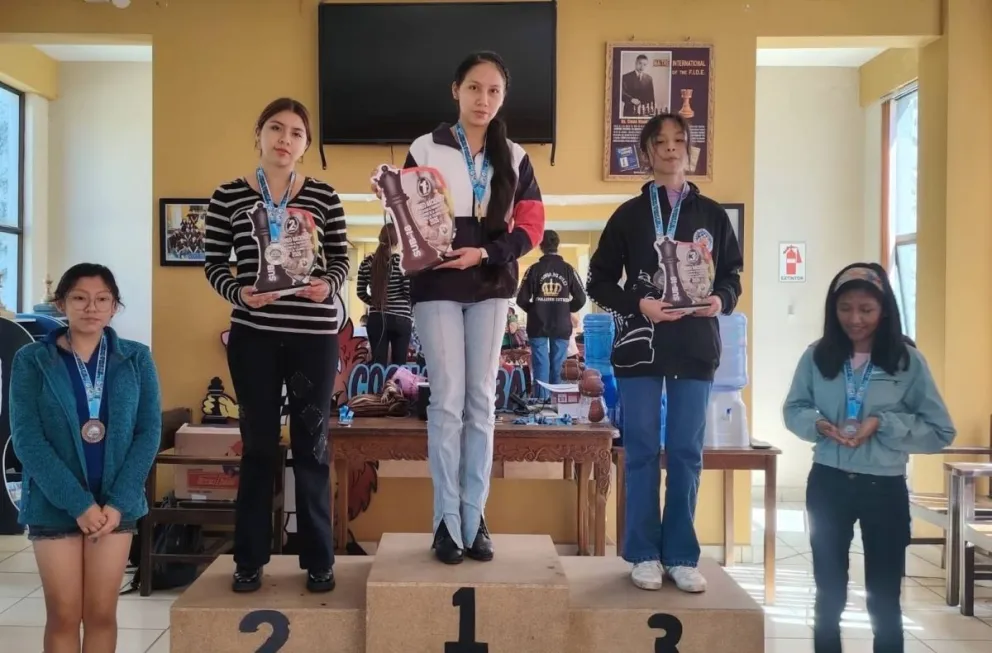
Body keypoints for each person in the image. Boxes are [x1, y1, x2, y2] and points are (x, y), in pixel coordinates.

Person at [586, 113, 743, 593]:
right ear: (647, 152)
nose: (671, 149)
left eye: (679, 141)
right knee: (637, 451)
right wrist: (640, 304)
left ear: (690, 150)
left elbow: (731, 276)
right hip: (639, 349)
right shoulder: (628, 217)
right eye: (661, 142)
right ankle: (643, 553)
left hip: (696, 348)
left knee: (686, 453)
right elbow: (597, 282)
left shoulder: (712, 216)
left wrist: (720, 301)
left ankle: (680, 554)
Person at [402, 51, 545, 564]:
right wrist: (433, 249)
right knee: (447, 400)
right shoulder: (425, 147)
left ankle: (474, 515)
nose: (483, 99)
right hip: (438, 283)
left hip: (491, 282)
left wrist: (485, 252)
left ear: (502, 99)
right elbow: (408, 217)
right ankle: (445, 522)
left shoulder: (517, 156)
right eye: (474, 88)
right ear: (455, 91)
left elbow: (530, 226)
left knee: (482, 400)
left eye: (493, 91)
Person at [204, 97, 349, 593]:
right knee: (259, 448)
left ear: (305, 146)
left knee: (313, 447)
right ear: (259, 135)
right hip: (254, 336)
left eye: (295, 133)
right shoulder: (228, 197)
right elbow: (213, 264)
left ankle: (319, 559)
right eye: (275, 128)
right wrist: (238, 292)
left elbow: (343, 261)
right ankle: (249, 560)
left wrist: (327, 284)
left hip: (313, 336)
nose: (284, 139)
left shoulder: (324, 197)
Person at [783, 263, 955, 653]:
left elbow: (941, 431)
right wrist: (819, 425)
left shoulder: (907, 361)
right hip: (828, 483)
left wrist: (883, 423)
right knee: (828, 595)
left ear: (884, 311)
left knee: (884, 599)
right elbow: (794, 408)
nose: (855, 319)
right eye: (845, 308)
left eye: (866, 309)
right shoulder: (817, 356)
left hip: (884, 487)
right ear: (833, 309)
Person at [9, 263, 161, 653]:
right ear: (61, 303)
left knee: (101, 614)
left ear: (114, 307)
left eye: (102, 299)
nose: (91, 307)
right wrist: (79, 505)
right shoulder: (32, 360)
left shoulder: (136, 359)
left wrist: (118, 503)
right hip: (54, 504)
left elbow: (148, 434)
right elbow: (27, 439)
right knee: (62, 614)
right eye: (79, 298)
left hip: (115, 505)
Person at [517, 230, 586, 397]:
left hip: (538, 323)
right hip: (561, 323)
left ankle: (542, 403)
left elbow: (521, 298)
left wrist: (535, 310)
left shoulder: (534, 269)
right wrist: (565, 308)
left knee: (541, 363)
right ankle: (557, 403)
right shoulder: (568, 269)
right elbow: (581, 297)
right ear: (558, 245)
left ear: (541, 246)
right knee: (558, 364)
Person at [357, 223, 413, 367]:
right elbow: (407, 291)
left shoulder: (366, 263)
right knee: (400, 365)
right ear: (398, 241)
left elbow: (360, 292)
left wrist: (376, 302)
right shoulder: (403, 263)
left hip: (377, 317)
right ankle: (396, 389)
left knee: (378, 364)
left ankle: (377, 389)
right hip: (401, 318)